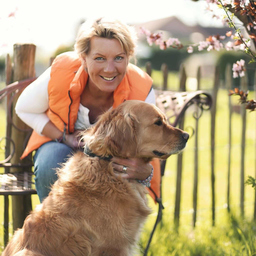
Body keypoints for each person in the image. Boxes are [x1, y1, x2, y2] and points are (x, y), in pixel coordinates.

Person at [16, 17, 160, 203]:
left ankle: (106, 231)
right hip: (62, 147)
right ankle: (55, 227)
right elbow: (24, 108)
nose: (109, 69)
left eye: (118, 58)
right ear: (83, 58)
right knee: (50, 160)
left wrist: (145, 171)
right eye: (99, 58)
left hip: (113, 158)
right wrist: (64, 137)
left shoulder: (141, 89)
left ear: (129, 57)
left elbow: (155, 140)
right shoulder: (62, 73)